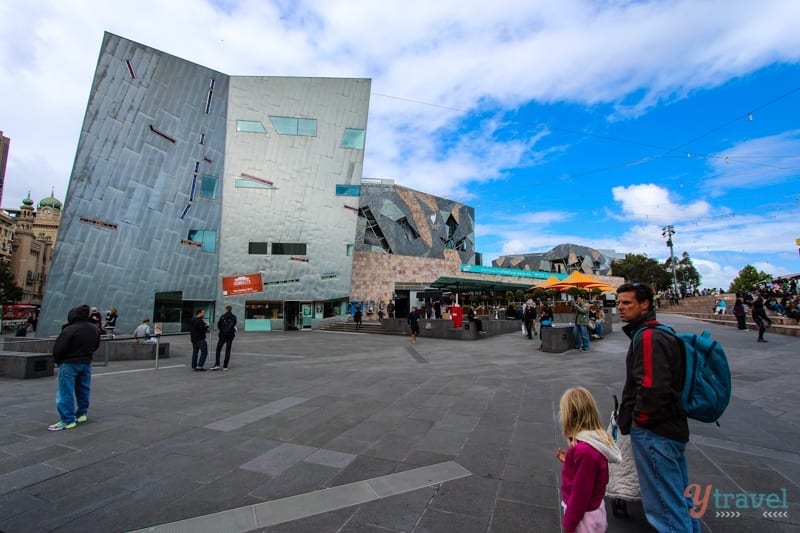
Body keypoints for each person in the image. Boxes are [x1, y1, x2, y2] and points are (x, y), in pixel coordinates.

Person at [616, 282, 700, 532]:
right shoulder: (657, 332)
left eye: (627, 302)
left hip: (655, 431)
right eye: (619, 302)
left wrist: (639, 420)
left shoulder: (650, 336)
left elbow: (653, 387)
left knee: (664, 507)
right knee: (679, 499)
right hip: (670, 428)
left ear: (645, 305)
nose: (620, 307)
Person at [556, 387, 621, 532]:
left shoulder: (584, 452)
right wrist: (570, 461)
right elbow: (590, 472)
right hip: (593, 511)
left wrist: (569, 524)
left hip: (584, 518)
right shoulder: (592, 443)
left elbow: (581, 494)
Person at [48, 304, 101, 430]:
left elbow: (59, 348)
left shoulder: (70, 329)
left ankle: (67, 419)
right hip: (86, 362)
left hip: (69, 363)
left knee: (65, 391)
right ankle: (82, 413)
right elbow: (96, 345)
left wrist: (59, 360)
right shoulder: (94, 329)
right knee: (83, 389)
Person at [213, 305, 237, 370]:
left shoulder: (222, 317)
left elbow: (219, 325)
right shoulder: (234, 317)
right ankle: (225, 366)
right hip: (231, 335)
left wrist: (222, 330)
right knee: (228, 350)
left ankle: (217, 364)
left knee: (218, 349)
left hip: (223, 335)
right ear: (231, 310)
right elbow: (234, 325)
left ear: (226, 309)